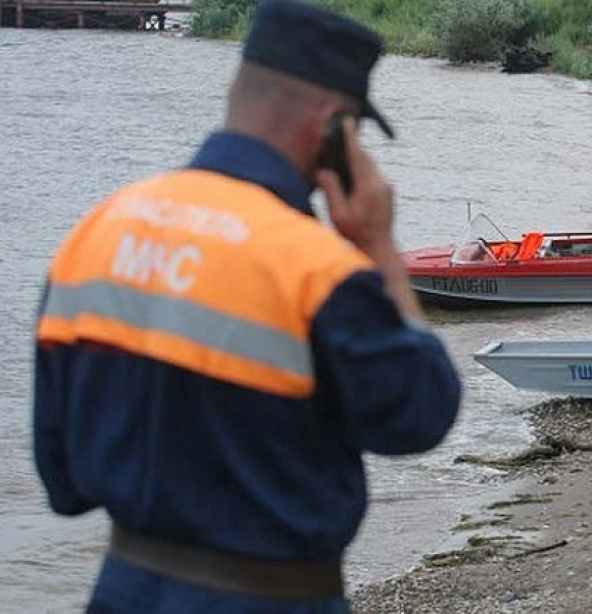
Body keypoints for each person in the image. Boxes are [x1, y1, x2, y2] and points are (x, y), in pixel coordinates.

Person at [32, 2, 462, 612]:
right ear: (334, 128)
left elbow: (62, 482)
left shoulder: (95, 233)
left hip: (123, 590)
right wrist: (381, 249)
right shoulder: (317, 268)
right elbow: (420, 413)